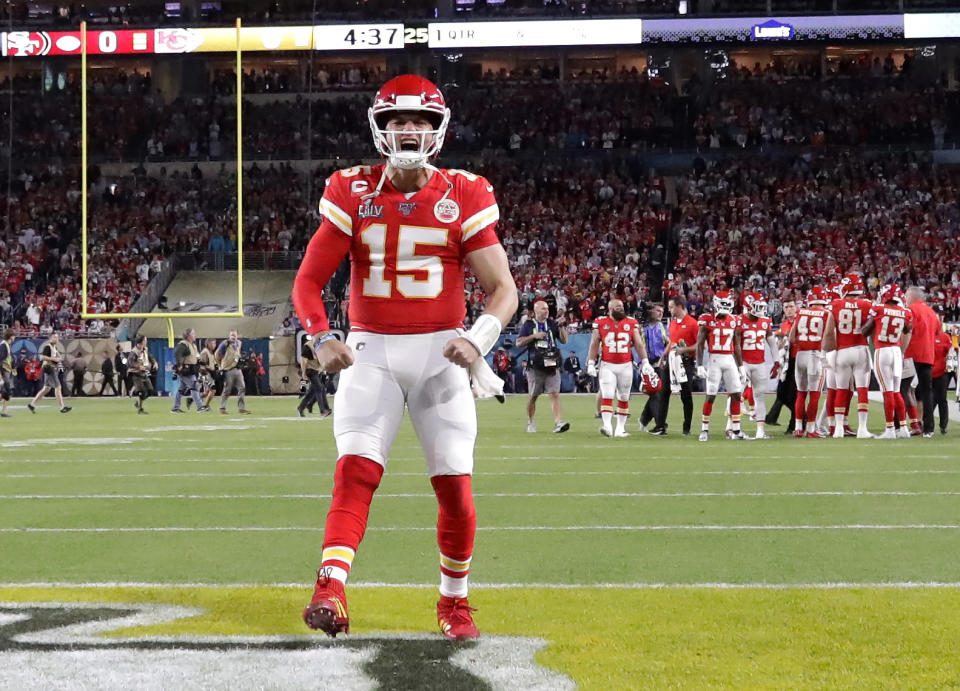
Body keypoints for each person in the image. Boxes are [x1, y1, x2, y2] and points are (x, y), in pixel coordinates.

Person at [291, 74, 518, 641]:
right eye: (398, 121)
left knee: (456, 492)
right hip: (371, 351)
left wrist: (479, 339)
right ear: (381, 128)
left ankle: (454, 601)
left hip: (442, 354)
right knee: (356, 472)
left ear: (437, 130)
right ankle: (330, 587)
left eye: (419, 121)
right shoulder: (351, 188)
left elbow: (503, 289)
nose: (409, 130)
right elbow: (308, 283)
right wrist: (321, 336)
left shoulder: (464, 191)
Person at [587, 298, 654, 438]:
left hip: (626, 365)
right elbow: (594, 343)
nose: (621, 309)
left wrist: (645, 361)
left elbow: (639, 344)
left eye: (622, 306)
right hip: (607, 365)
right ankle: (607, 426)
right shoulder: (601, 322)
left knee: (623, 397)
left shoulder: (631, 322)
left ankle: (620, 429)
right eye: (617, 307)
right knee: (607, 395)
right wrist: (591, 362)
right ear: (610, 309)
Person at [823, 274, 874, 438]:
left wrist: (826, 354)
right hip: (860, 349)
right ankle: (862, 429)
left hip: (842, 350)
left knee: (841, 390)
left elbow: (829, 332)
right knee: (862, 389)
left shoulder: (836, 304)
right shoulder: (867, 304)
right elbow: (873, 327)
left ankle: (838, 429)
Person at [861, 284, 913, 439]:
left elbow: (865, 331)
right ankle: (903, 427)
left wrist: (874, 323)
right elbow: (908, 329)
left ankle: (890, 429)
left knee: (887, 391)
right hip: (897, 352)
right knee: (896, 391)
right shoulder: (904, 312)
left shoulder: (878, 309)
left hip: (882, 351)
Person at [696, 291, 745, 441]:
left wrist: (741, 366)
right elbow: (699, 344)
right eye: (723, 303)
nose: (726, 307)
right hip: (714, 360)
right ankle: (704, 429)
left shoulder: (734, 320)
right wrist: (699, 364)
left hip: (729, 360)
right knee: (711, 395)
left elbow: (736, 345)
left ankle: (736, 430)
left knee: (736, 393)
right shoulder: (707, 320)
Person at [517, 299, 570, 433]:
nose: (546, 311)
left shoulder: (551, 323)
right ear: (535, 311)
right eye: (543, 309)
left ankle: (558, 422)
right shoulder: (528, 325)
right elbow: (518, 343)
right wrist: (534, 336)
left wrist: (562, 326)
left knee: (555, 394)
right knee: (533, 396)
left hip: (552, 364)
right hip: (536, 366)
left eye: (547, 308)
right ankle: (531, 421)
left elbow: (564, 340)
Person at [788, 287, 830, 438]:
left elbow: (791, 338)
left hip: (801, 354)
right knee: (814, 394)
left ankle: (798, 428)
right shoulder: (826, 314)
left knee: (801, 393)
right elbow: (828, 336)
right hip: (816, 355)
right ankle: (811, 429)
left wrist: (803, 343)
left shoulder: (801, 312)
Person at [736, 292, 777, 440]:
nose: (760, 309)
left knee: (760, 396)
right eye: (757, 306)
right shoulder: (740, 321)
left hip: (759, 363)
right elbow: (736, 346)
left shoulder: (765, 321)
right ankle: (733, 428)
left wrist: (776, 361)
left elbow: (772, 343)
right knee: (736, 395)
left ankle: (760, 431)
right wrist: (739, 365)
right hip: (745, 363)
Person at [904, 286, 939, 437]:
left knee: (903, 389)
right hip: (928, 355)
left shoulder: (910, 310)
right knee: (926, 391)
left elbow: (907, 330)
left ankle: (901, 424)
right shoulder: (932, 312)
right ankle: (928, 428)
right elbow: (937, 332)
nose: (905, 298)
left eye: (906, 296)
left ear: (912, 296)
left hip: (912, 355)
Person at [664, 296, 700, 435]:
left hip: (686, 362)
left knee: (685, 394)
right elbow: (671, 342)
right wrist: (663, 356)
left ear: (680, 306)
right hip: (672, 360)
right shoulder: (672, 322)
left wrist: (684, 350)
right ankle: (661, 425)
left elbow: (700, 345)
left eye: (672, 306)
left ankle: (687, 427)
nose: (669, 309)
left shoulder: (692, 323)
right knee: (664, 391)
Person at [765, 298, 798, 433]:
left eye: (791, 306)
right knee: (782, 393)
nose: (789, 309)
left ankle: (794, 423)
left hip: (797, 360)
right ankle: (799, 418)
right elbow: (779, 344)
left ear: (796, 307)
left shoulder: (800, 322)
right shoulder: (783, 325)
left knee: (793, 394)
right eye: (786, 307)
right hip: (786, 362)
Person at [638, 303, 668, 434]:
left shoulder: (661, 326)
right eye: (658, 311)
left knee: (656, 394)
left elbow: (668, 341)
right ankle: (660, 424)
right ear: (651, 312)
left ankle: (645, 419)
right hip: (646, 363)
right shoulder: (641, 327)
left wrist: (663, 356)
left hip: (658, 363)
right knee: (656, 394)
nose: (660, 313)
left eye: (662, 311)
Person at [27, 332, 71, 414]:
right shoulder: (48, 347)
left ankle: (32, 404)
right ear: (50, 338)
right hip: (49, 368)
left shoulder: (54, 347)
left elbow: (58, 358)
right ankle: (62, 407)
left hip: (49, 368)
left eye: (57, 337)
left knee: (46, 388)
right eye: (54, 337)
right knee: (58, 387)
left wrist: (59, 361)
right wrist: (55, 359)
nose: (56, 339)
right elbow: (42, 357)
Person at [171, 328, 209, 413]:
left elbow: (195, 357)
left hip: (191, 369)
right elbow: (177, 354)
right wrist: (179, 365)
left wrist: (201, 365)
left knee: (181, 390)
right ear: (188, 336)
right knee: (194, 387)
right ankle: (200, 406)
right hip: (186, 370)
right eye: (193, 333)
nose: (195, 335)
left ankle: (175, 408)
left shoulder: (193, 345)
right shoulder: (183, 345)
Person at [216, 329, 250, 415]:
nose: (233, 337)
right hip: (228, 369)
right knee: (227, 389)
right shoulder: (225, 343)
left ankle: (241, 408)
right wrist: (220, 365)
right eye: (231, 335)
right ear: (229, 335)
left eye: (234, 335)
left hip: (237, 368)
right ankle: (222, 408)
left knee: (242, 387)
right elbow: (217, 354)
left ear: (237, 336)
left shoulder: (239, 343)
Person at [298, 335, 332, 418]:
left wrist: (324, 371)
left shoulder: (320, 346)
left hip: (317, 371)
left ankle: (301, 407)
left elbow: (322, 360)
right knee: (320, 388)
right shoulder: (308, 346)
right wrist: (303, 373)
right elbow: (304, 361)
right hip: (310, 370)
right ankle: (323, 410)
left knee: (312, 391)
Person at [932, 326, 952, 435]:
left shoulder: (945, 336)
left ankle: (943, 426)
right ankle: (928, 426)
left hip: (942, 372)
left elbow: (952, 351)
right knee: (929, 400)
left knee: (942, 399)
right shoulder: (927, 336)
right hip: (928, 372)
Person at [127, 335, 154, 414]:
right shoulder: (134, 352)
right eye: (145, 340)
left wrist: (154, 362)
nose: (146, 342)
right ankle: (140, 409)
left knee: (150, 391)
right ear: (141, 342)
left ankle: (138, 402)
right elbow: (130, 363)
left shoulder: (145, 349)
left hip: (144, 373)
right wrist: (139, 367)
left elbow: (150, 356)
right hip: (135, 374)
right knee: (142, 392)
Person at [197, 338, 218, 408]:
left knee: (206, 392)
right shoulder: (205, 352)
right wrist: (209, 371)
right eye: (213, 343)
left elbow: (213, 363)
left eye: (215, 343)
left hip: (210, 374)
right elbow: (202, 364)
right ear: (208, 344)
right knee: (213, 389)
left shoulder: (211, 352)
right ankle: (206, 405)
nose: (214, 345)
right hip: (205, 374)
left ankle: (193, 398)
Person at [0, 329, 15, 418]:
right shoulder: (4, 346)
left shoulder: (6, 345)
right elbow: (0, 360)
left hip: (6, 371)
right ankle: (4, 412)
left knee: (5, 392)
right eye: (13, 335)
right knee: (7, 392)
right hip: (4, 371)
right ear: (10, 336)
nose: (14, 337)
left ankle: (4, 411)